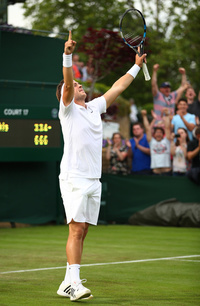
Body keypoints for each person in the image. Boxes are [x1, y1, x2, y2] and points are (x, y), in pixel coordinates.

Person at [56, 31, 147, 301]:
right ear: (65, 95)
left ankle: (66, 282)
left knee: (82, 231)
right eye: (72, 86)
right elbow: (69, 86)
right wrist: (68, 54)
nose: (79, 86)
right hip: (73, 177)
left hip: (93, 179)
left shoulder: (94, 107)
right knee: (75, 229)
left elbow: (118, 87)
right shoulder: (68, 109)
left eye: (80, 85)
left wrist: (136, 65)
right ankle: (74, 284)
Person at [141, 108, 172, 175]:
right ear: (154, 135)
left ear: (163, 134)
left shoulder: (166, 140)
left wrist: (167, 115)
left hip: (166, 172)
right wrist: (144, 116)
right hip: (155, 172)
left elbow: (167, 127)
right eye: (157, 132)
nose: (158, 134)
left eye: (160, 132)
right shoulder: (152, 142)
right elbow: (147, 129)